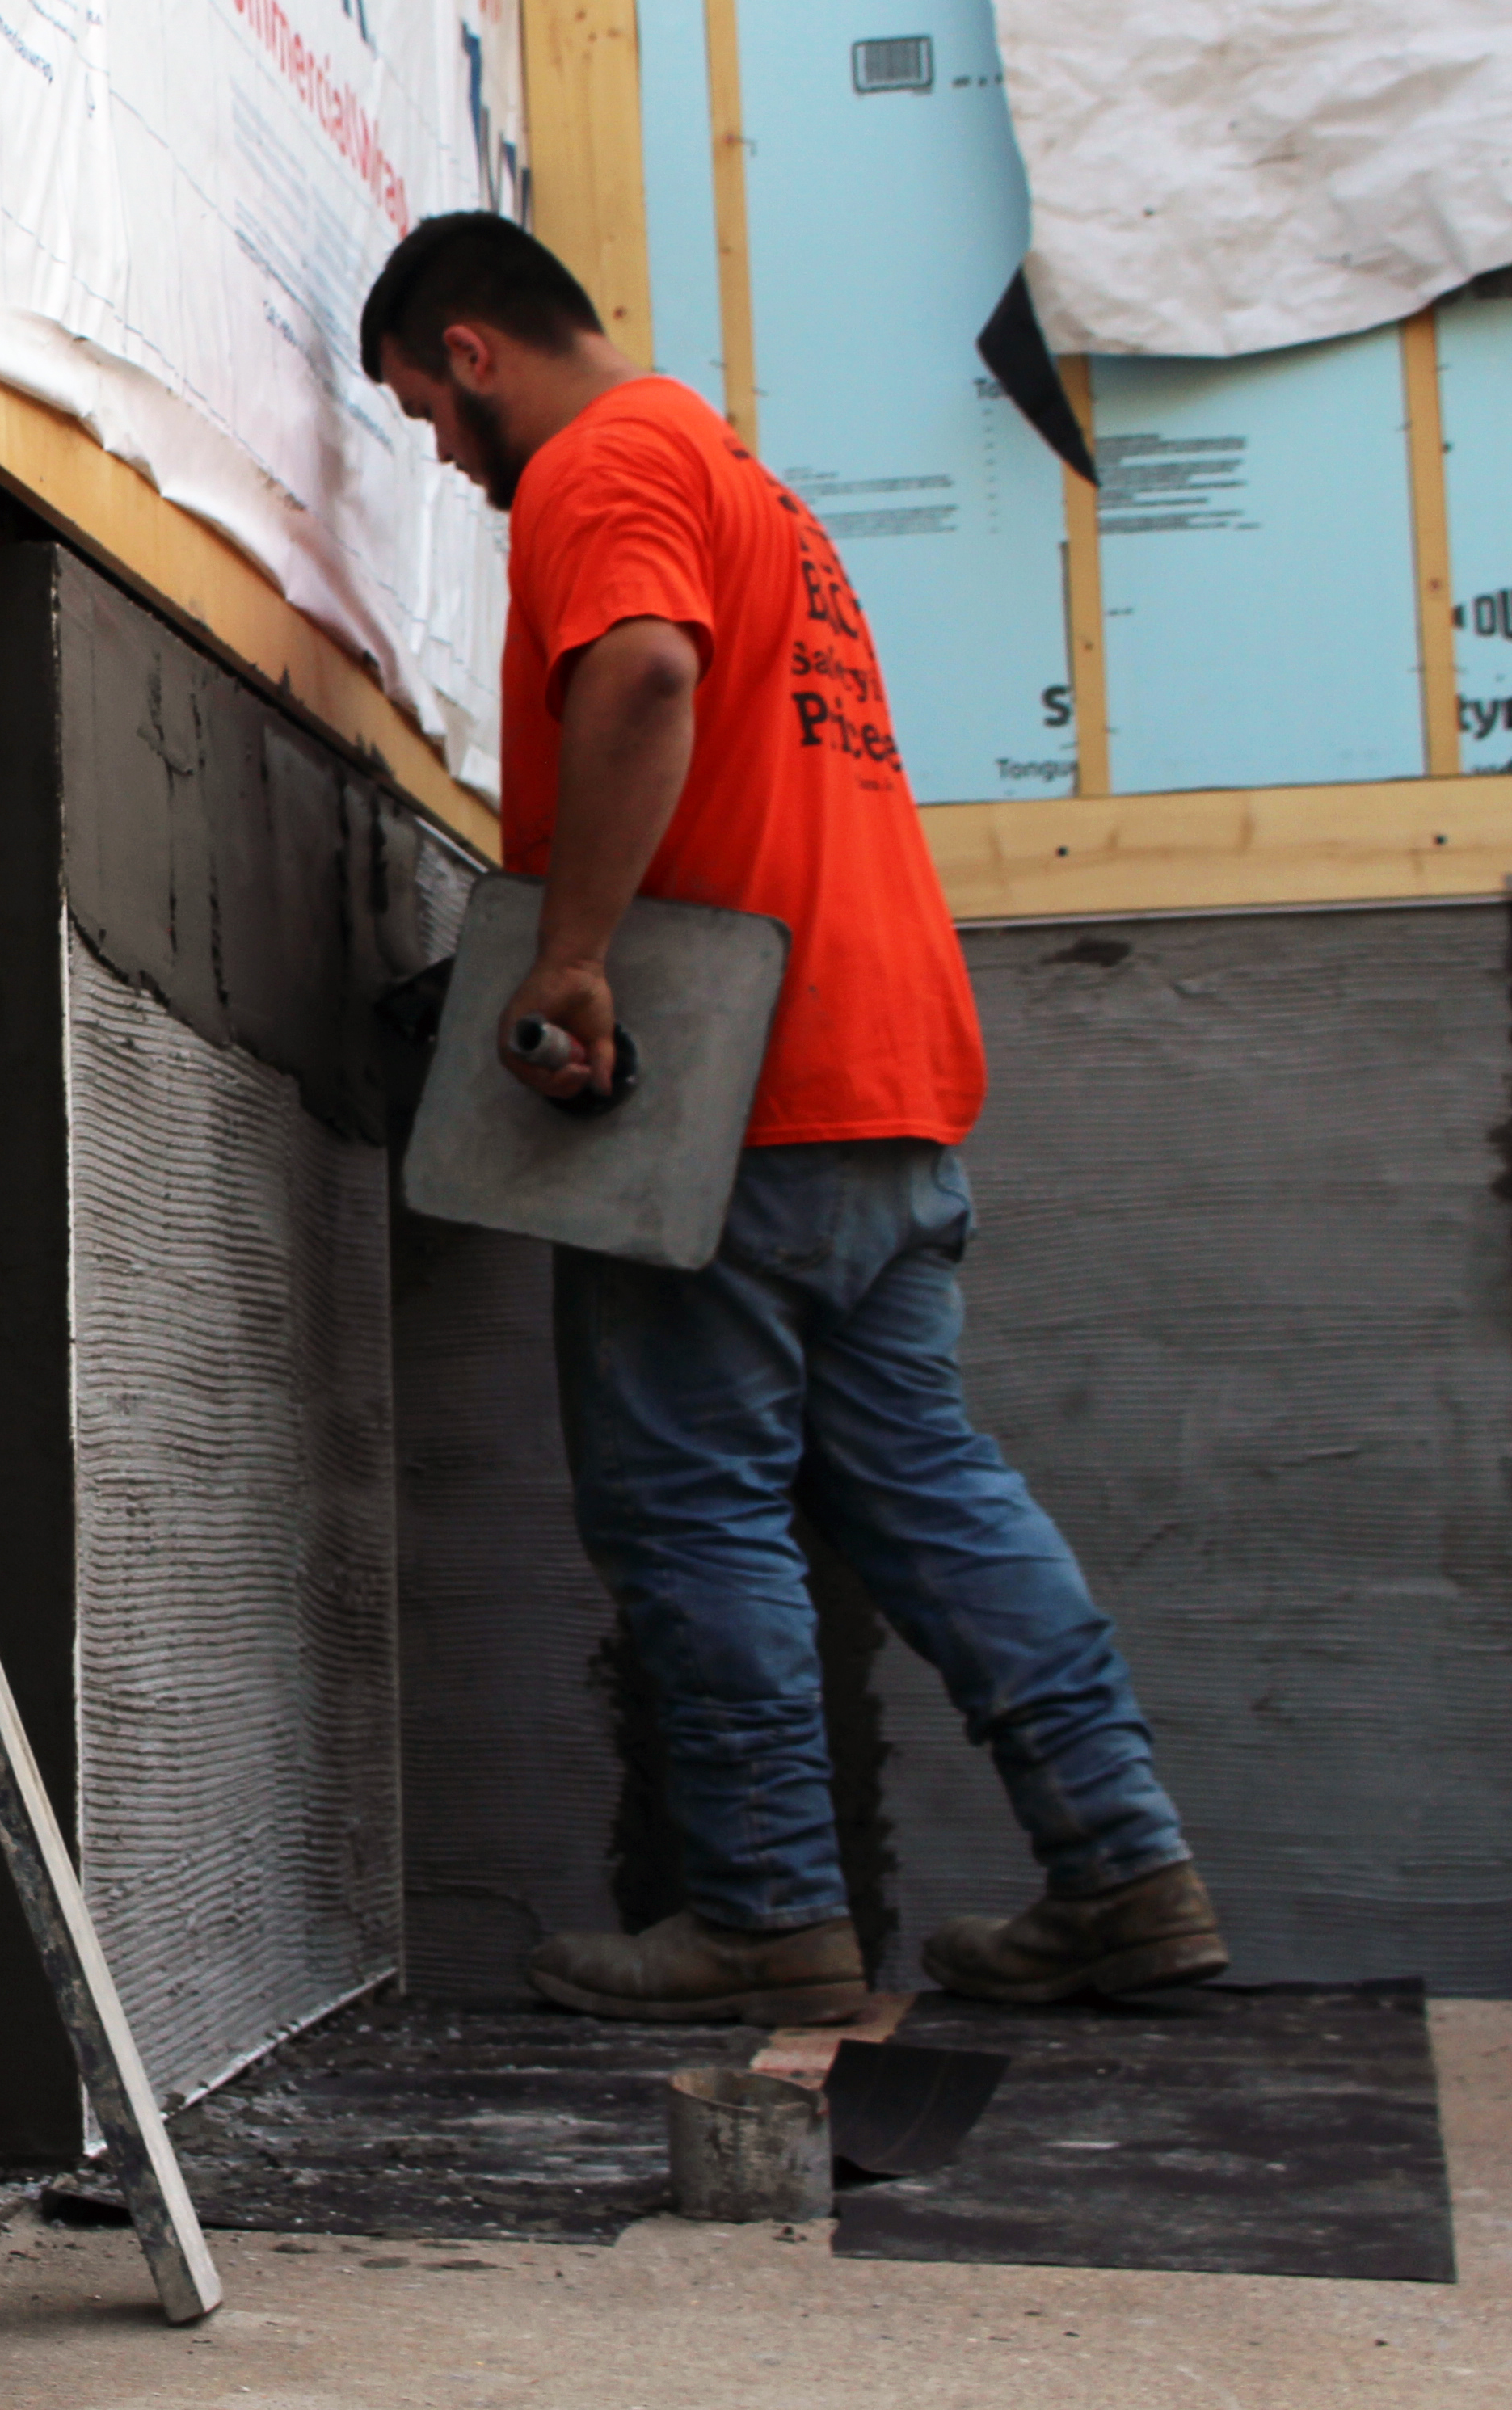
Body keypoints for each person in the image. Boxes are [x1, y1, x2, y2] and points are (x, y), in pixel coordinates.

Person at [355, 211, 1227, 2024]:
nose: (447, 463)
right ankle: (1127, 1871)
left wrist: (571, 962)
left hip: (723, 1096)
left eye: (429, 422)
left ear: (468, 352)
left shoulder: (608, 462)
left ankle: (764, 1913)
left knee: (691, 1508)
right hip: (884, 1081)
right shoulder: (755, 491)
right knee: (934, 1491)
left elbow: (648, 675)